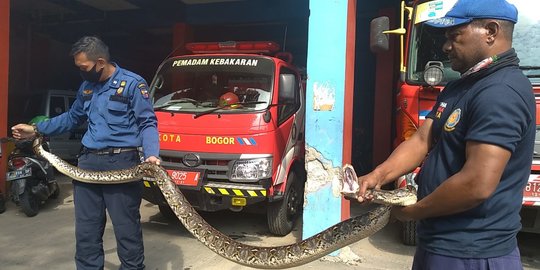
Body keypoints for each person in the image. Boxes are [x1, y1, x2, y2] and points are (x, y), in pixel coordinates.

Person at [355, 0, 534, 269]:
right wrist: (378, 175)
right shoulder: (460, 86)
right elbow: (421, 139)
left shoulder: (500, 92)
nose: (446, 46)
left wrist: (413, 212)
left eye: (454, 36)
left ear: (491, 31)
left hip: (472, 253)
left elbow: (476, 183)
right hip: (440, 244)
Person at [11, 36, 160, 270]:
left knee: (126, 228)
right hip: (88, 163)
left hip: (121, 163)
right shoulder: (87, 87)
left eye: (84, 67)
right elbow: (72, 118)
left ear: (100, 62)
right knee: (86, 230)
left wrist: (152, 154)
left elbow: (147, 123)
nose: (81, 72)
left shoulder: (132, 84)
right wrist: (36, 129)